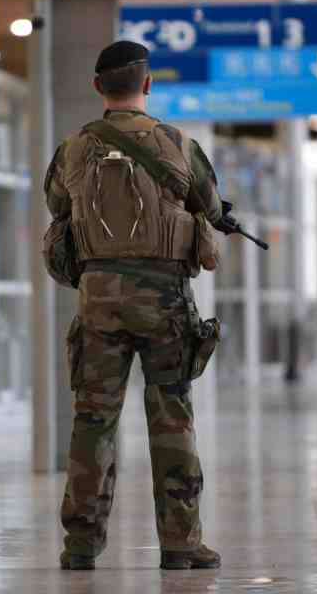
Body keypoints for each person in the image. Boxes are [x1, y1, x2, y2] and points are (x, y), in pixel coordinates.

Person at [44, 41, 225, 570]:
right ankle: (181, 543)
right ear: (147, 85)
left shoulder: (75, 147)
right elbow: (209, 207)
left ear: (99, 87)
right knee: (171, 416)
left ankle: (80, 543)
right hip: (165, 300)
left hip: (98, 299)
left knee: (92, 419)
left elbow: (57, 204)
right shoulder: (176, 143)